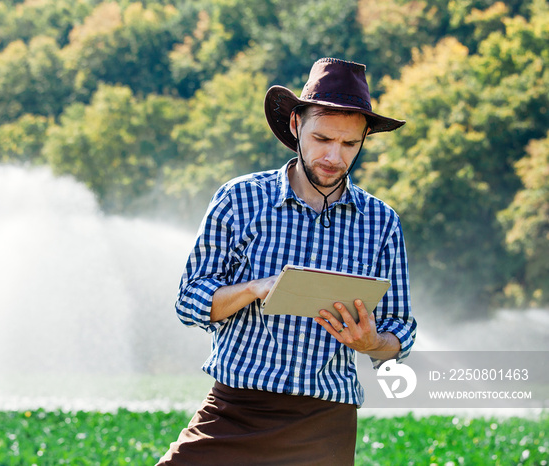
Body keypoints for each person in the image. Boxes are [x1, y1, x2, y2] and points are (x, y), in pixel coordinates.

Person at [157, 58, 417, 465]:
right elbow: (189, 303)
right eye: (322, 138)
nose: (334, 156)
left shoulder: (381, 222)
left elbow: (400, 329)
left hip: (324, 424)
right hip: (234, 411)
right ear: (296, 125)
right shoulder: (239, 199)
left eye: (350, 144)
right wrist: (255, 288)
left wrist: (374, 343)